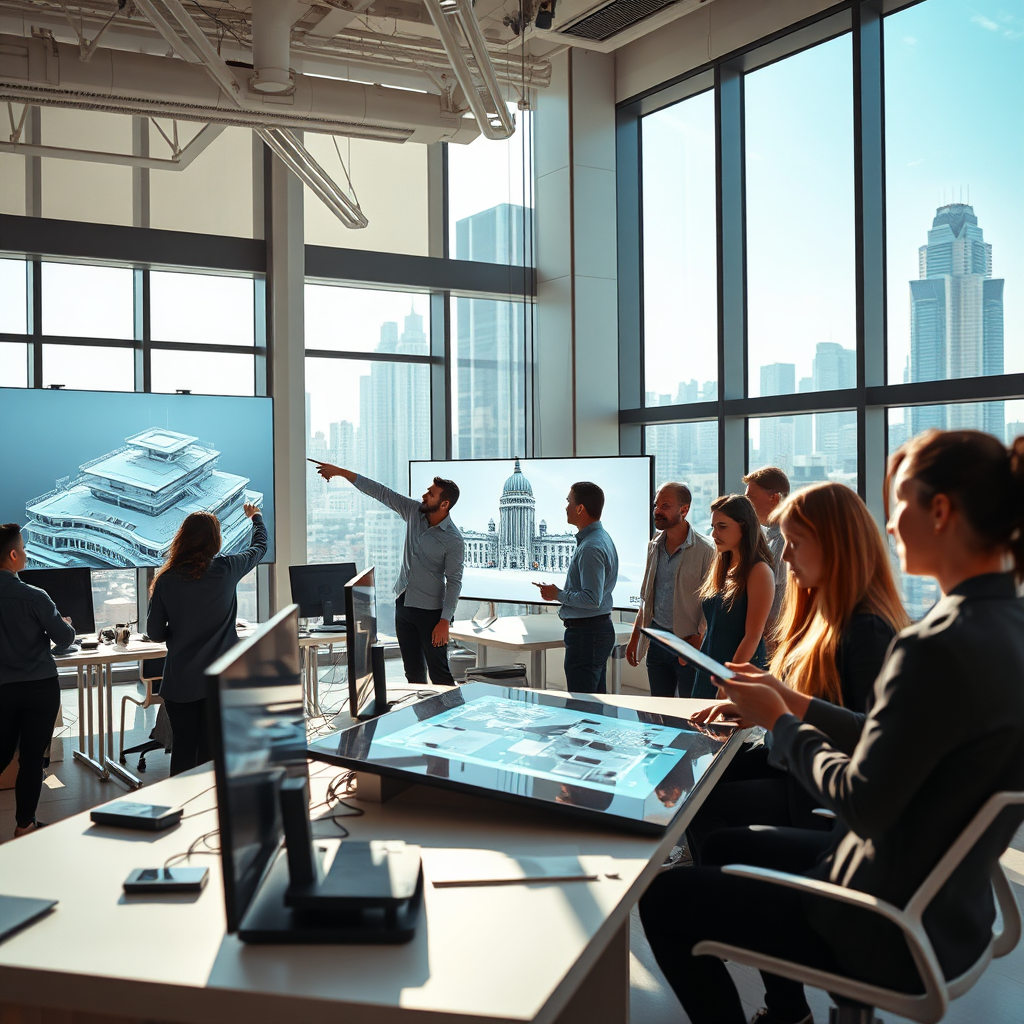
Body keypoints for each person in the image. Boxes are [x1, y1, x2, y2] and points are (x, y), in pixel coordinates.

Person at [639, 429, 1024, 1024]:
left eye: (899, 505)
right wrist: (795, 703)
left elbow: (863, 803)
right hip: (952, 910)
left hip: (880, 914)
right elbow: (887, 738)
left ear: (940, 512)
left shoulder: (935, 646)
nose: (890, 526)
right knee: (720, 843)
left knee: (665, 899)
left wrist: (783, 725)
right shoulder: (1001, 629)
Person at [685, 482, 910, 863]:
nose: (786, 557)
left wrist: (779, 709)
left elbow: (872, 739)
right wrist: (761, 711)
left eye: (796, 543)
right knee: (698, 783)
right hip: (793, 763)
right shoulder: (823, 618)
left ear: (836, 547)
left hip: (814, 785)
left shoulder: (867, 629)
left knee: (703, 807)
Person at [311, 463, 464, 687]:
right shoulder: (413, 512)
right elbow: (382, 492)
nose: (424, 495)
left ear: (444, 503)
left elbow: (454, 582)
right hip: (403, 605)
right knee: (413, 675)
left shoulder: (453, 539)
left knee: (440, 675)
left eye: (430, 494)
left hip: (432, 615)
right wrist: (342, 473)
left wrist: (444, 621)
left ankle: (453, 721)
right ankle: (422, 720)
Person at [146, 503, 266, 776]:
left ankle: (179, 807)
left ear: (182, 539)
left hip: (181, 682)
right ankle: (210, 810)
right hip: (221, 681)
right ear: (216, 540)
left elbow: (154, 633)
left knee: (184, 750)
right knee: (213, 752)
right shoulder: (227, 568)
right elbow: (260, 548)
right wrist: (256, 518)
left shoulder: (166, 578)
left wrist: (176, 635)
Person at [0, 523, 76, 839]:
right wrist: (61, 626)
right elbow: (65, 638)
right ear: (14, 555)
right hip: (38, 687)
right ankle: (24, 826)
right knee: (32, 759)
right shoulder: (34, 596)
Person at [625, 482, 715, 697]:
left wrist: (699, 638)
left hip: (687, 645)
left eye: (665, 506)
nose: (657, 511)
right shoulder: (654, 544)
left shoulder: (706, 550)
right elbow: (647, 597)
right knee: (658, 712)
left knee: (688, 714)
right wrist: (635, 637)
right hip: (657, 642)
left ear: (684, 510)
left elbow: (711, 602)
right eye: (656, 505)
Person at [534, 481, 619, 693]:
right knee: (594, 704)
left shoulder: (591, 546)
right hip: (594, 632)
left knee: (582, 707)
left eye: (569, 502)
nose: (566, 507)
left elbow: (591, 599)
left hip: (586, 636)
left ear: (580, 508)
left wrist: (558, 595)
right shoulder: (600, 538)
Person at [689, 493, 775, 699]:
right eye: (713, 526)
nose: (714, 534)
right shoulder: (723, 565)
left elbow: (753, 635)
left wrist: (728, 682)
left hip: (738, 670)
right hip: (711, 665)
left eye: (722, 526)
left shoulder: (759, 570)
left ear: (744, 527)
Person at [743, 465, 791, 638]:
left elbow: (781, 598)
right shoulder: (764, 534)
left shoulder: (786, 540)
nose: (747, 505)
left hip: (776, 639)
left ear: (774, 498)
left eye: (751, 498)